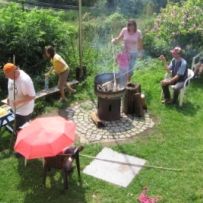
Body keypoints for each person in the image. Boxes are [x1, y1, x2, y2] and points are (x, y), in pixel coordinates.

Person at [3, 63, 36, 131]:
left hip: (23, 111)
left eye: (8, 76)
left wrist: (18, 101)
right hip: (15, 108)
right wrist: (8, 98)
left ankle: (20, 139)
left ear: (14, 72)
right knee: (20, 128)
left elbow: (32, 96)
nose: (7, 78)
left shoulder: (25, 80)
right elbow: (11, 89)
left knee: (20, 130)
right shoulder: (11, 77)